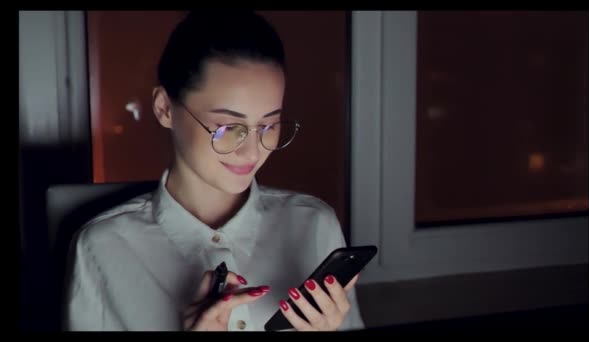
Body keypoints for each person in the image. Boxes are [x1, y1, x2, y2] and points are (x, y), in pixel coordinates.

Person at [63, 11, 364, 331]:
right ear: (165, 108)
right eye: (228, 127)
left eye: (269, 124)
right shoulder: (102, 248)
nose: (252, 151)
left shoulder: (315, 225)